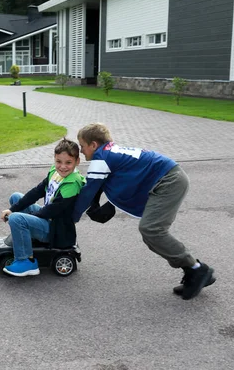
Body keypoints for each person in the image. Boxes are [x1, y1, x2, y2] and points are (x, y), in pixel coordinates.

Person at [72, 123, 215, 300]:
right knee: (150, 235)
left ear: (93, 145)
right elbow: (99, 185)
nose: (81, 151)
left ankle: (198, 270)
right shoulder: (110, 151)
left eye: (82, 146)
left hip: (169, 181)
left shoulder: (101, 158)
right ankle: (193, 270)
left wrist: (70, 219)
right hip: (169, 177)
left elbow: (88, 191)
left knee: (151, 230)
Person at [0, 138, 85, 277]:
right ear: (54, 160)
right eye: (59, 162)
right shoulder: (55, 172)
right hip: (47, 218)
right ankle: (25, 235)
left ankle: (26, 261)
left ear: (77, 162)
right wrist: (13, 208)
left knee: (16, 219)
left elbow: (52, 210)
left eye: (68, 162)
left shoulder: (72, 183)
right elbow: (37, 191)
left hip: (55, 229)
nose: (63, 166)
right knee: (16, 197)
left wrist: (25, 215)